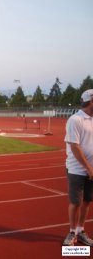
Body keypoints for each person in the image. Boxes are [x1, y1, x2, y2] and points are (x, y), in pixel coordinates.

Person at [63, 89, 93, 246]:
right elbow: (74, 146)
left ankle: (80, 231)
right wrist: (88, 167)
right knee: (76, 202)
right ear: (91, 101)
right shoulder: (76, 119)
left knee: (87, 201)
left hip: (91, 169)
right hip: (77, 169)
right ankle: (72, 232)